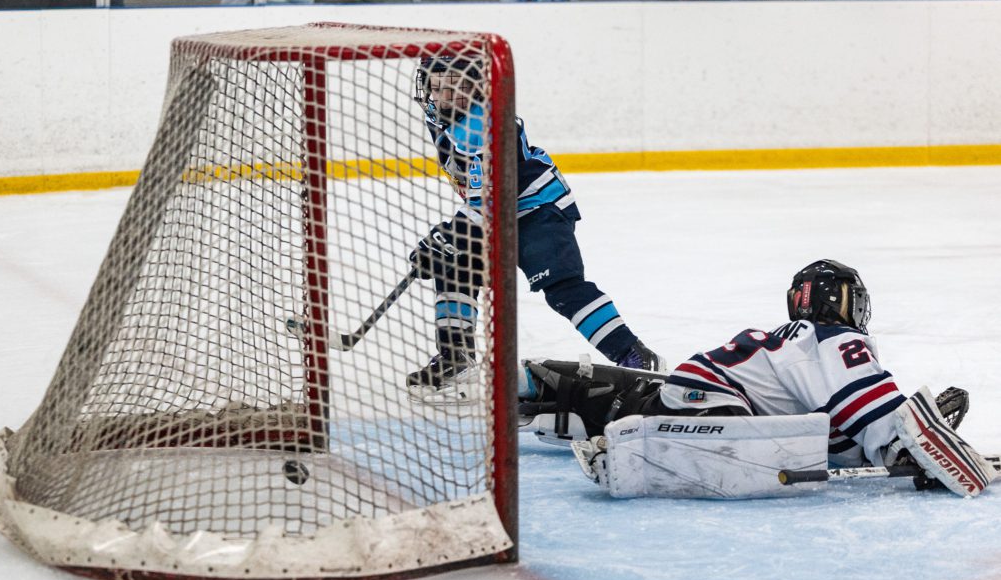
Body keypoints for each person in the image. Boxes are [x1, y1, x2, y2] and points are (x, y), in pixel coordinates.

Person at [520, 260, 997, 498]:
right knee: (738, 440)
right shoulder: (835, 340)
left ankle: (549, 392)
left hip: (686, 388)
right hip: (715, 407)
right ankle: (636, 447)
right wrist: (904, 445)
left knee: (628, 399)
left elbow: (828, 428)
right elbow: (869, 409)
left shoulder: (789, 339)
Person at [407, 56, 664, 402]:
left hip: (537, 209)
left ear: (475, 88)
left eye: (454, 88)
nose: (443, 97)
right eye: (436, 88)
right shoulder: (441, 118)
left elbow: (491, 200)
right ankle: (457, 359)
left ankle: (634, 354)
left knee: (562, 288)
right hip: (495, 210)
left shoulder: (482, 126)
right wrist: (448, 243)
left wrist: (449, 236)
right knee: (452, 266)